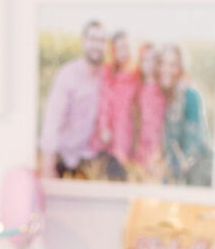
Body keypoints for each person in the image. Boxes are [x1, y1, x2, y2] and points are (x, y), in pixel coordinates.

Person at [39, 18, 108, 178]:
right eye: (92, 39)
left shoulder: (106, 77)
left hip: (91, 161)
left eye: (101, 41)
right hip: (64, 159)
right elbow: (52, 121)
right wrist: (48, 167)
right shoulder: (67, 75)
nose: (97, 45)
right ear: (84, 42)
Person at [159, 42, 212, 187]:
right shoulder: (163, 95)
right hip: (175, 172)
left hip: (197, 173)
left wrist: (172, 171)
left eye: (173, 65)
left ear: (181, 68)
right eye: (163, 63)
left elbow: (193, 146)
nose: (167, 69)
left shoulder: (190, 95)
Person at [99, 30, 140, 175]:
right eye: (118, 49)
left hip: (128, 132)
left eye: (126, 47)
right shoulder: (108, 72)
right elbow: (105, 102)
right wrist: (104, 127)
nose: (123, 52)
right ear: (113, 52)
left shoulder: (137, 74)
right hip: (110, 133)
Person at [135, 42, 168, 179]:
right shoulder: (138, 87)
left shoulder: (162, 89)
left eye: (153, 59)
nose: (149, 64)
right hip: (139, 151)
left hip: (156, 152)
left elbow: (158, 125)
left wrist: (156, 153)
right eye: (145, 59)